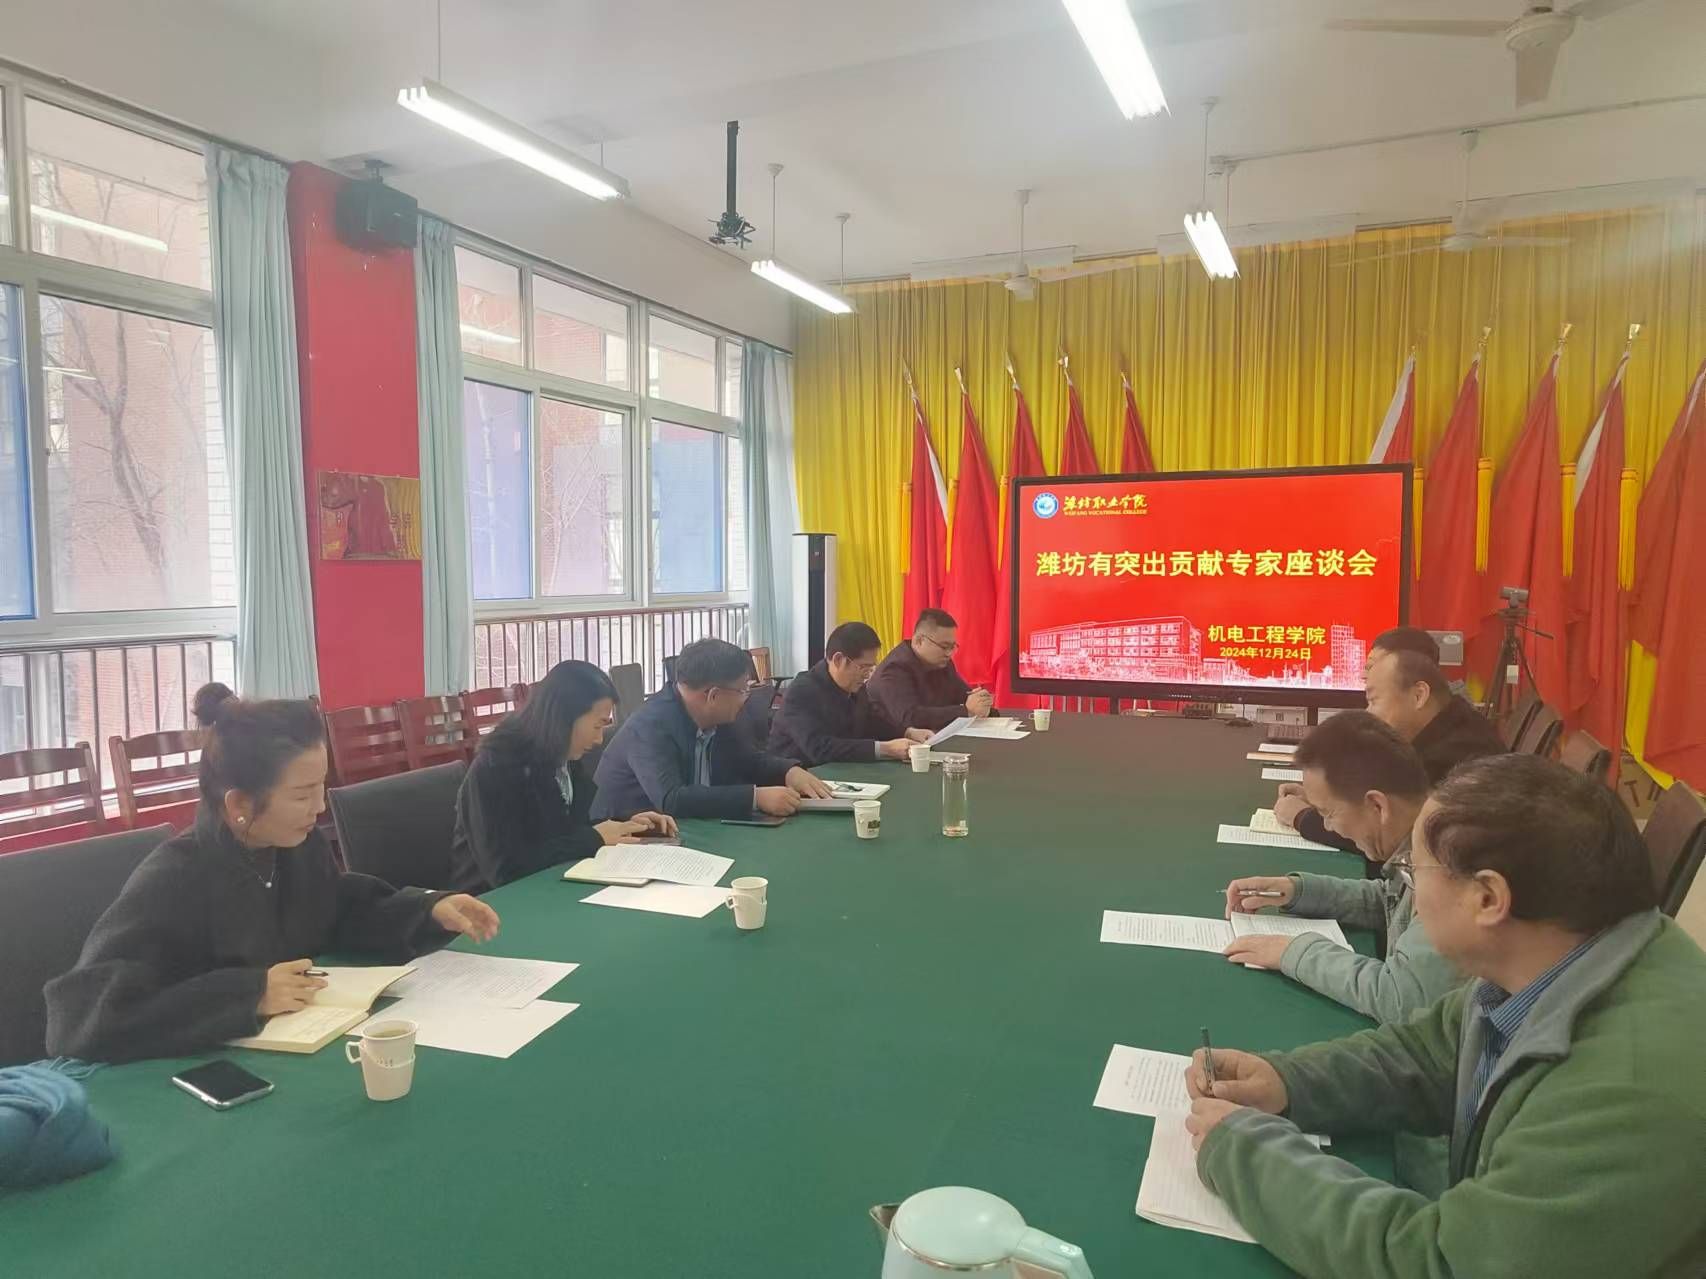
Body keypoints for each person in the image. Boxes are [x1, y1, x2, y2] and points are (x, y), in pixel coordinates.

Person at [1183, 754, 1706, 1278]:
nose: (1408, 890)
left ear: (1487, 898)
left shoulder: (1627, 1091)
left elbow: (1445, 1264)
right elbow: (1429, 1053)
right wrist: (1288, 1080)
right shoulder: (1548, 958)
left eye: (1414, 870)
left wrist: (1246, 1157)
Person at [45, 685, 501, 1065]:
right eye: (302, 795)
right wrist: (249, 994)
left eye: (321, 788)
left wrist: (427, 908)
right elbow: (82, 1019)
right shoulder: (174, 878)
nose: (320, 807)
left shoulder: (296, 846)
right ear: (239, 805)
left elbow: (337, 910)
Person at [1221, 711, 1464, 1192]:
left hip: (1436, 1156)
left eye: (1329, 814)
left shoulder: (1448, 865)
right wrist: (1300, 890)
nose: (1329, 826)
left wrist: (1295, 952)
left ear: (1376, 805)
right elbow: (1389, 902)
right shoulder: (1425, 837)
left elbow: (1400, 997)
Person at [449, 660, 677, 894]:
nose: (599, 739)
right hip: (491, 903)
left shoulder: (561, 755)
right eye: (597, 726)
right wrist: (594, 838)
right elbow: (506, 869)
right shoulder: (497, 766)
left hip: (553, 887)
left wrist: (625, 825)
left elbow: (565, 831)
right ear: (565, 718)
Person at [1277, 648, 1504, 851]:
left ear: (1418, 696)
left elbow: (1388, 837)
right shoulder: (1449, 724)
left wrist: (1302, 817)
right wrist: (1329, 800)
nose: (1368, 713)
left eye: (1374, 701)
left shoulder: (1458, 757)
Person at [592, 637, 833, 820]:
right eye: (743, 690)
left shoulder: (720, 716)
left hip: (689, 830)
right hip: (626, 840)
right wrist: (755, 797)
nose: (746, 697)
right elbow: (672, 799)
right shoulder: (650, 725)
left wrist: (789, 771)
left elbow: (747, 760)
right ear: (713, 695)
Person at [769, 622, 933, 766]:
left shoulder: (854, 686)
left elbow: (872, 720)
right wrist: (885, 749)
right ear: (838, 660)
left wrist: (908, 732)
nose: (867, 675)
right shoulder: (802, 692)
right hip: (798, 776)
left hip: (841, 772)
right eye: (863, 667)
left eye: (871, 668)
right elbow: (820, 748)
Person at [866, 609, 993, 732]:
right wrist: (966, 711)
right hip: (896, 741)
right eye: (944, 646)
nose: (949, 653)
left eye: (953, 647)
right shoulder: (894, 669)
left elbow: (963, 694)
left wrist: (981, 701)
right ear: (919, 641)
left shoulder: (942, 662)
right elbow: (910, 717)